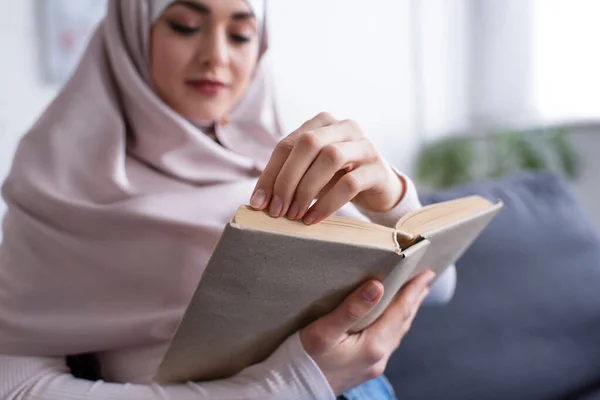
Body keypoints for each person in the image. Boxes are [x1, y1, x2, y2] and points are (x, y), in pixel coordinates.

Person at [0, 1, 456, 399]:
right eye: (184, 25)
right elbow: (14, 383)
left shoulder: (285, 159)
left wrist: (393, 200)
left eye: (241, 34)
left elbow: (440, 286)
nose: (216, 56)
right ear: (132, 33)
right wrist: (280, 389)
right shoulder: (60, 188)